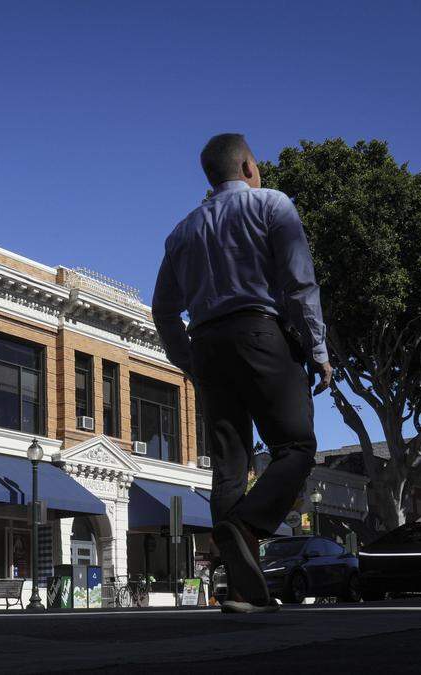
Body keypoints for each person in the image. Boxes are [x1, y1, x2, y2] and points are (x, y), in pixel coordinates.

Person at [151, 133, 332, 613]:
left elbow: (163, 311)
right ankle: (249, 524)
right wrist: (317, 349)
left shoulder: (181, 232)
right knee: (296, 446)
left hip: (207, 344)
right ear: (249, 166)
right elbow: (299, 282)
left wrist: (188, 361)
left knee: (230, 464)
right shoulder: (272, 204)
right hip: (259, 334)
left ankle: (246, 591)